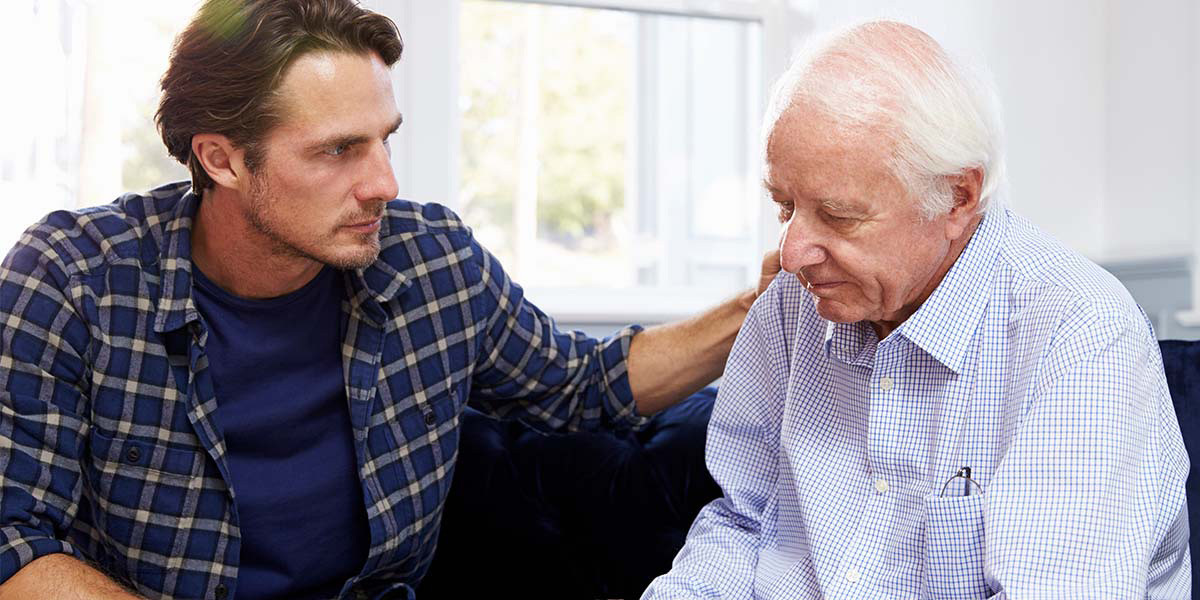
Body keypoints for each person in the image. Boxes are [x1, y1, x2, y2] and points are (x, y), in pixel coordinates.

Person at [0, 1, 777, 598]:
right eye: (339, 150)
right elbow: (15, 537)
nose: (384, 184)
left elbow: (584, 386)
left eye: (384, 138)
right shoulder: (72, 278)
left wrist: (762, 304)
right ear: (223, 158)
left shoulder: (430, 259)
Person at [645, 20, 1190, 599]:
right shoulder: (790, 304)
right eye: (784, 206)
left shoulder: (1079, 334)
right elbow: (744, 524)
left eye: (837, 215)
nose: (792, 253)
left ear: (957, 197)